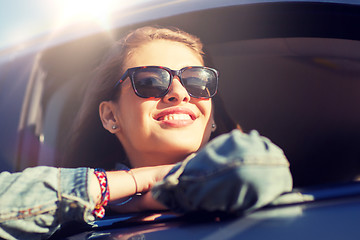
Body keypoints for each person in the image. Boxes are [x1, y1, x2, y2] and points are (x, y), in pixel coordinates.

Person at [0, 26, 292, 240]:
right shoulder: (66, 223)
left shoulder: (244, 173)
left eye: (196, 81)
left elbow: (255, 169)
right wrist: (137, 182)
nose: (179, 94)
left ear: (211, 113)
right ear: (111, 116)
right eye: (151, 81)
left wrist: (165, 190)